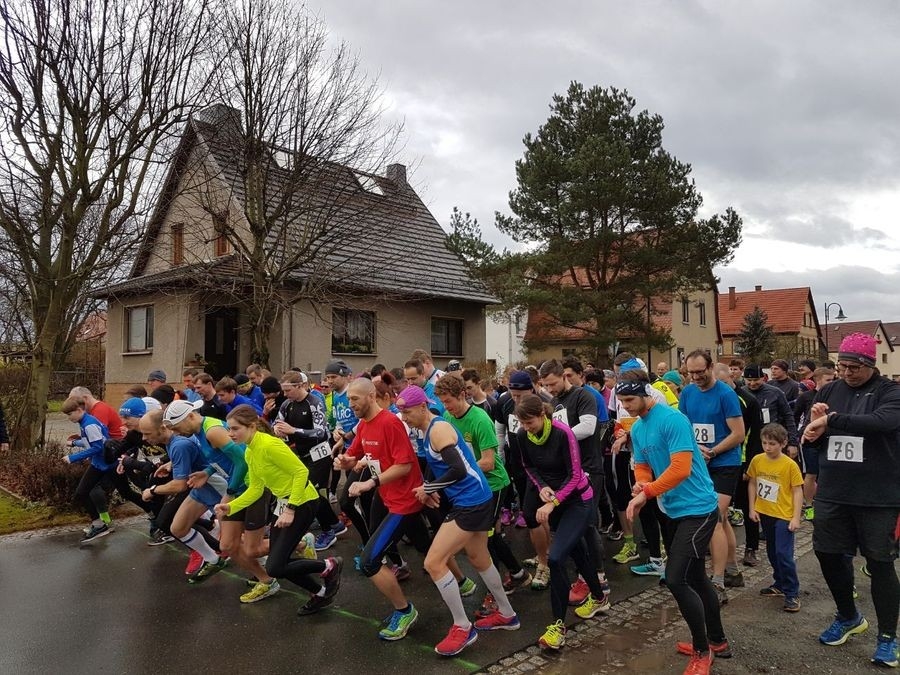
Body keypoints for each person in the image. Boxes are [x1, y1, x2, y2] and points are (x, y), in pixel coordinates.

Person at [619, 373, 729, 675]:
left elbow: (681, 469)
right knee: (696, 578)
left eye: (630, 399)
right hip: (672, 510)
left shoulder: (673, 419)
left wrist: (647, 493)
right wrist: (642, 485)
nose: (626, 406)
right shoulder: (638, 427)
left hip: (698, 509)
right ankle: (717, 640)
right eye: (622, 401)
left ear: (645, 393)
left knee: (675, 578)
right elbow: (642, 465)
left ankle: (702, 651)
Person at [802, 333, 900, 667]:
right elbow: (814, 437)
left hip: (877, 496)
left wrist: (830, 419)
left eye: (854, 367)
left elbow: (882, 422)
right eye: (842, 366)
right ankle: (848, 616)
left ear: (870, 364)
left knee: (880, 563)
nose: (846, 373)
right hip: (834, 492)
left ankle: (887, 637)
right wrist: (814, 430)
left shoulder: (890, 392)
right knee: (827, 554)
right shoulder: (829, 391)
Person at [400, 385, 520, 656]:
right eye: (402, 413)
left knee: (433, 563)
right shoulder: (428, 428)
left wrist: (428, 489)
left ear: (422, 407)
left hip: (471, 501)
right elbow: (436, 466)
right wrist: (430, 485)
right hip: (474, 498)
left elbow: (457, 470)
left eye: (407, 413)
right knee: (479, 557)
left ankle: (463, 627)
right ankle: (507, 613)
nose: (404, 418)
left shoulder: (438, 430)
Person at [216, 405, 343, 613]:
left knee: (275, 567)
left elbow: (301, 472)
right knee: (278, 563)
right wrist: (230, 507)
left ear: (252, 426)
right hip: (283, 505)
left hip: (303, 502)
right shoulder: (250, 451)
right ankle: (321, 593)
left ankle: (329, 566)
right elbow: (256, 488)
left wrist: (290, 509)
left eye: (235, 428)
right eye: (229, 429)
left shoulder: (270, 445)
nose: (230, 434)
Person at [333, 378, 431, 642]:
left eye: (355, 399)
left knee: (369, 561)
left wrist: (370, 483)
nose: (350, 404)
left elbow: (405, 465)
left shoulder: (390, 423)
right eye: (349, 399)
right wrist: (345, 461)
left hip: (405, 501)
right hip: (389, 498)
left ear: (371, 396)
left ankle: (405, 611)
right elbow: (354, 456)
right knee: (427, 549)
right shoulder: (365, 425)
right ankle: (461, 581)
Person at [514, 393, 610, 651]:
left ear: (542, 415)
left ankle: (558, 626)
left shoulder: (562, 433)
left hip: (578, 500)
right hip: (554, 499)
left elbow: (575, 474)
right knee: (576, 552)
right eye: (522, 423)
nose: (526, 428)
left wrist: (552, 502)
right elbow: (529, 467)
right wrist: (543, 487)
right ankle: (600, 597)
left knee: (556, 558)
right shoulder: (523, 436)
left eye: (530, 422)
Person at [434, 374, 532, 619]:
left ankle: (496, 595)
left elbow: (488, 462)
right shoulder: (447, 418)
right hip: (471, 487)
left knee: (484, 540)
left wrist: (458, 472)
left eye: (449, 401)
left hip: (494, 484)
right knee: (489, 538)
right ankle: (517, 573)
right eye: (442, 402)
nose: (446, 406)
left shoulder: (480, 419)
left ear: (462, 395)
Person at [538, 358, 611, 609]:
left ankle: (599, 579)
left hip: (589, 467)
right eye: (546, 386)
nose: (550, 389)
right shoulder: (554, 401)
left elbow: (589, 427)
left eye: (553, 383)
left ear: (564, 376)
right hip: (570, 470)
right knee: (573, 526)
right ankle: (584, 577)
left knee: (587, 524)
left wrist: (557, 437)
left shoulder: (583, 395)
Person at [678, 350, 746, 604]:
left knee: (713, 518)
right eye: (691, 373)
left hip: (725, 463)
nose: (695, 377)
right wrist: (696, 449)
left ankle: (717, 582)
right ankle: (733, 569)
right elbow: (684, 426)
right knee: (721, 518)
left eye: (700, 372)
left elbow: (738, 433)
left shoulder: (726, 394)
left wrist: (714, 451)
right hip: (700, 463)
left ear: (710, 367)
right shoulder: (687, 393)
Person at [272, 370, 346, 551]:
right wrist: (277, 430)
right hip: (303, 454)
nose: (285, 394)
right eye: (283, 391)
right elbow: (277, 422)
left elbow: (321, 432)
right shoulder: (287, 404)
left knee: (310, 491)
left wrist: (293, 431)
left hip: (320, 453)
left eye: (288, 390)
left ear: (300, 386)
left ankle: (329, 530)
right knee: (309, 491)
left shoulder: (314, 402)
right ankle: (334, 524)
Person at [746, 423, 803, 613]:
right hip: (766, 513)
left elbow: (797, 491)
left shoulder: (790, 465)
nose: (768, 447)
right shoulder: (757, 460)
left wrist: (796, 517)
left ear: (783, 443)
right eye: (765, 443)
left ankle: (792, 592)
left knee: (783, 554)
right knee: (772, 551)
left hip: (784, 514)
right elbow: (752, 483)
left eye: (772, 444)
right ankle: (779, 582)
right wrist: (752, 507)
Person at [61, 396, 113, 542]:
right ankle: (99, 524)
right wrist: (75, 443)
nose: (69, 418)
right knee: (83, 492)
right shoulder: (85, 422)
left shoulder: (89, 424)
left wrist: (73, 458)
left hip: (103, 464)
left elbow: (97, 447)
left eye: (70, 414)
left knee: (82, 493)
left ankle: (99, 524)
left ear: (79, 410)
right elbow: (90, 441)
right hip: (99, 463)